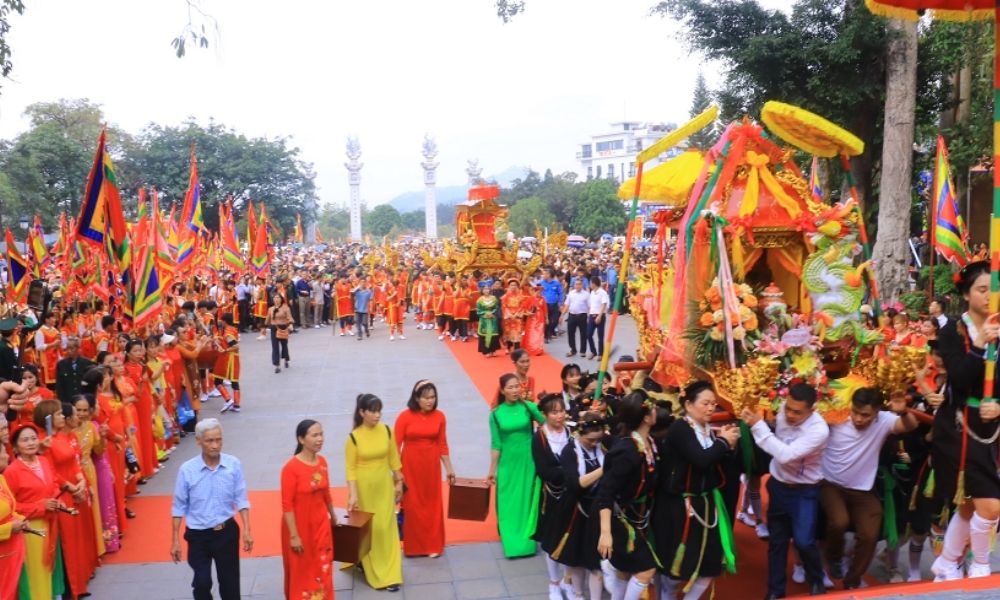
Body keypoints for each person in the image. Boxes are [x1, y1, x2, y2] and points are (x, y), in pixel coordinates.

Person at [931, 259, 1000, 580]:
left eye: (994, 289)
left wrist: (998, 404)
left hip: (992, 424)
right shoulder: (952, 331)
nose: (989, 296)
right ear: (967, 292)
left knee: (971, 504)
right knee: (991, 506)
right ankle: (981, 566)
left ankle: (947, 561)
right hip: (959, 425)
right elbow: (958, 379)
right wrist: (980, 346)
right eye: (982, 289)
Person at [820, 387, 917, 589]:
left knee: (870, 533)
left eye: (865, 415)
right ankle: (834, 558)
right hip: (830, 483)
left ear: (877, 412)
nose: (858, 418)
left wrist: (903, 412)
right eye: (855, 412)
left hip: (862, 489)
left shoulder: (885, 420)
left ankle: (853, 580)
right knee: (839, 521)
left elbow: (909, 426)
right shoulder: (836, 415)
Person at [742, 383, 830, 599]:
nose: (789, 414)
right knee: (777, 542)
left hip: (805, 491)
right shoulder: (782, 409)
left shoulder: (819, 430)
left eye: (797, 412)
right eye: (788, 408)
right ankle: (775, 591)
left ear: (812, 410)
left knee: (804, 541)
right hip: (779, 486)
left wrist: (758, 426)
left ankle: (816, 579)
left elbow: (786, 454)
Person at [656, 382, 740, 600]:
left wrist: (728, 448)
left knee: (711, 565)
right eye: (705, 403)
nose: (711, 408)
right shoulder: (680, 429)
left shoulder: (708, 431)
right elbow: (701, 460)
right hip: (680, 508)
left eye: (714, 403)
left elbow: (718, 467)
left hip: (706, 504)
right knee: (676, 567)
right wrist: (723, 442)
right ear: (688, 405)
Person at [170, 418, 253, 600]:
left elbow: (241, 498)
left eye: (218, 440)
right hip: (198, 535)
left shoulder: (233, 465)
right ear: (198, 441)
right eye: (209, 441)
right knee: (202, 582)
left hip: (226, 532)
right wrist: (175, 539)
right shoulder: (187, 470)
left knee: (230, 583)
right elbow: (178, 507)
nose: (215, 445)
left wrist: (247, 529)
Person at [596, 390, 662, 600]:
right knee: (647, 570)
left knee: (624, 572)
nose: (657, 412)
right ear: (645, 417)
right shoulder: (627, 451)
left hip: (640, 517)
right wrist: (605, 533)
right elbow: (605, 492)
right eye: (653, 409)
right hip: (620, 519)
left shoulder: (649, 443)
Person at [345, 394, 403, 591]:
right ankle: (369, 564)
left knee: (386, 527)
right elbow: (350, 469)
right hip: (363, 489)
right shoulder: (354, 438)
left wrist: (398, 482)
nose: (377, 415)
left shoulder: (387, 431)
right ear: (362, 412)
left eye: (379, 411)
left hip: (383, 486)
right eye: (373, 411)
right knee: (371, 529)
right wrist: (353, 494)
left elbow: (394, 459)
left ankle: (391, 573)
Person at [4, 423, 66, 599]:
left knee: (52, 568)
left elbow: (53, 485)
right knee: (36, 572)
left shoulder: (44, 461)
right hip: (31, 528)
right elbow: (12, 506)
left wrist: (57, 500)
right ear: (15, 447)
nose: (31, 443)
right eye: (25, 440)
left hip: (51, 523)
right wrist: (40, 506)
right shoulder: (12, 472)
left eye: (33, 438)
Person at [394, 380, 455, 558]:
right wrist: (397, 473)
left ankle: (432, 544)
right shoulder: (404, 417)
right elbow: (395, 446)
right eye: (425, 397)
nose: (430, 401)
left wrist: (449, 468)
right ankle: (413, 547)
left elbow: (442, 444)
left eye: (433, 397)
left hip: (431, 466)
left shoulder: (440, 416)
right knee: (412, 504)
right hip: (410, 465)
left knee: (431, 503)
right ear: (416, 398)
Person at [487, 373, 545, 558]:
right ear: (502, 390)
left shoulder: (528, 408)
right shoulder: (495, 414)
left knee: (526, 500)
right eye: (510, 387)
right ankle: (510, 540)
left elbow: (547, 423)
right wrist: (492, 470)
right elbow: (496, 444)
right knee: (507, 501)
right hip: (507, 464)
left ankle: (527, 542)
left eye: (517, 386)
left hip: (529, 461)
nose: (514, 390)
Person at [48, 401, 99, 597]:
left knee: (77, 536)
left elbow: (75, 462)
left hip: (76, 487)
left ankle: (81, 580)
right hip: (64, 493)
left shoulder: (64, 436)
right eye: (59, 414)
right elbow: (52, 471)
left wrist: (80, 480)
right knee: (69, 540)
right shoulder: (47, 441)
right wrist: (71, 486)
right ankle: (73, 587)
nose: (63, 417)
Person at [281, 419, 335, 600]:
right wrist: (294, 536)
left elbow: (326, 492)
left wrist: (334, 517)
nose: (320, 439)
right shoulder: (291, 469)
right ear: (301, 439)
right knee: (302, 569)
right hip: (299, 527)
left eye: (321, 434)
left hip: (321, 525)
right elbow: (287, 505)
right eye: (315, 435)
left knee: (323, 564)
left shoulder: (323, 462)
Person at [555, 411, 606, 600]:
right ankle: (577, 594)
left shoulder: (604, 446)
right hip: (576, 509)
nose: (594, 444)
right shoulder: (569, 451)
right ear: (579, 434)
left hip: (599, 509)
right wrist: (604, 469)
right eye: (590, 440)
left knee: (596, 563)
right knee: (575, 558)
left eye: (598, 440)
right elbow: (575, 484)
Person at [531, 393, 575, 600]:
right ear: (545, 415)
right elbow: (543, 470)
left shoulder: (572, 433)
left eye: (562, 411)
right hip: (551, 494)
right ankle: (554, 582)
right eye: (554, 412)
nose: (560, 416)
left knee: (571, 534)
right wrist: (568, 472)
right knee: (551, 538)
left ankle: (568, 579)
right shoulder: (539, 438)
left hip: (572, 494)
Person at [0, 439, 27, 600]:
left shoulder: (2, 479)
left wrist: (21, 519)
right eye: (3, 452)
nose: (7, 455)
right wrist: (10, 528)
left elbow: (11, 509)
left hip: (12, 550)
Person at [55, 336, 95, 403]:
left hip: (83, 400)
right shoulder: (61, 364)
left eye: (71, 348)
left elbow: (91, 384)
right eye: (67, 349)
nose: (69, 351)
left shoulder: (87, 363)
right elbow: (59, 386)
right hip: (68, 400)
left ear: (78, 348)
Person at [562, 278, 590, 358]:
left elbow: (590, 306)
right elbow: (567, 305)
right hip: (572, 315)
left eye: (579, 284)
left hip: (582, 316)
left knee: (583, 334)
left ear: (582, 285)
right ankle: (573, 349)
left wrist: (589, 317)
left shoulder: (586, 294)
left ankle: (583, 351)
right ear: (574, 285)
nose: (578, 286)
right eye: (576, 284)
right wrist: (562, 315)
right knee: (571, 333)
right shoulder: (571, 293)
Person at [267, 294, 293, 373]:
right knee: (275, 347)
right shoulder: (271, 309)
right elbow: (267, 319)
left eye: (278, 297)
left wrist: (290, 325)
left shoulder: (286, 308)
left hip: (283, 328)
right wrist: (264, 326)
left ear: (281, 299)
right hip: (274, 328)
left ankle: (286, 359)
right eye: (275, 297)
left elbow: (289, 318)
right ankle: (277, 365)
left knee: (284, 345)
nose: (276, 299)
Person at [585, 277, 609, 360]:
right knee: (588, 334)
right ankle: (593, 351)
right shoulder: (592, 293)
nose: (590, 285)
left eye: (590, 283)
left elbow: (604, 304)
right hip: (592, 316)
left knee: (600, 336)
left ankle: (600, 354)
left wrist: (599, 316)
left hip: (600, 316)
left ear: (594, 283)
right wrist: (589, 315)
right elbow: (591, 306)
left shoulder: (602, 292)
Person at [477, 285, 501, 357]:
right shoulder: (479, 300)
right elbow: (478, 310)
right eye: (485, 289)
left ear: (490, 290)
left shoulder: (494, 298)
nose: (486, 290)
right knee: (484, 335)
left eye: (487, 289)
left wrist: (492, 313)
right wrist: (485, 314)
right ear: (482, 290)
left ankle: (493, 350)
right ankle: (486, 351)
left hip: (493, 318)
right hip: (484, 319)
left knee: (493, 335)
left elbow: (496, 307)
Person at [541, 269, 565, 342]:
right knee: (546, 320)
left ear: (549, 275)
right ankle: (546, 336)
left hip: (554, 304)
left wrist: (561, 303)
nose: (543, 275)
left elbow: (560, 293)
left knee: (555, 320)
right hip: (545, 304)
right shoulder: (541, 283)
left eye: (545, 274)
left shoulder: (556, 283)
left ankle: (550, 331)